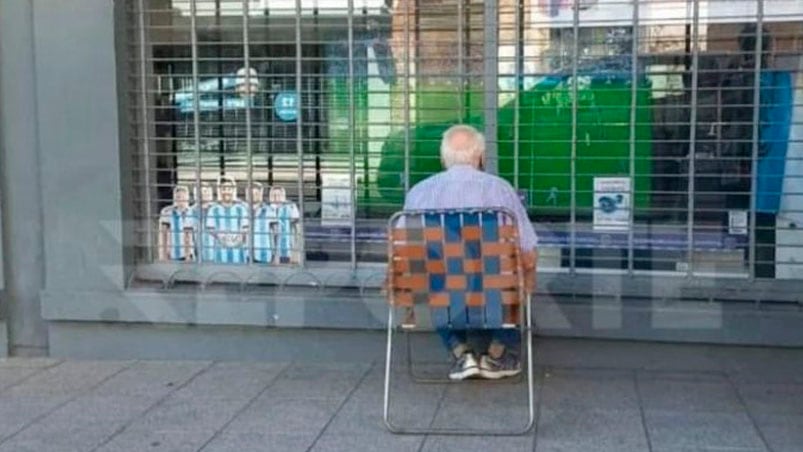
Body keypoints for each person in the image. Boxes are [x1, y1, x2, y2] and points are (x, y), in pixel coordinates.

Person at [402, 124, 538, 381]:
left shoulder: (419, 193)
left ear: (443, 158)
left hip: (441, 294)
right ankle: (496, 354)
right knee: (519, 275)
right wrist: (528, 279)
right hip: (494, 293)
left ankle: (460, 352)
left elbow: (406, 255)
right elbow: (528, 252)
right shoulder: (500, 190)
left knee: (430, 275)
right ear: (481, 157)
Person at [206, 176, 250, 264]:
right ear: (220, 190)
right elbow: (211, 229)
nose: (226, 191)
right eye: (224, 189)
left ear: (233, 190)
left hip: (239, 253)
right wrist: (223, 239)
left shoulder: (241, 208)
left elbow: (245, 228)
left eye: (229, 189)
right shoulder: (213, 209)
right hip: (220, 253)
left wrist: (237, 241)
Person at [158, 185, 195, 261]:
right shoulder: (167, 212)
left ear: (187, 197)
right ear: (174, 198)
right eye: (178, 197)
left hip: (189, 255)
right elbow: (163, 234)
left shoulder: (192, 212)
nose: (181, 199)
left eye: (183, 196)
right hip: (172, 255)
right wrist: (163, 255)